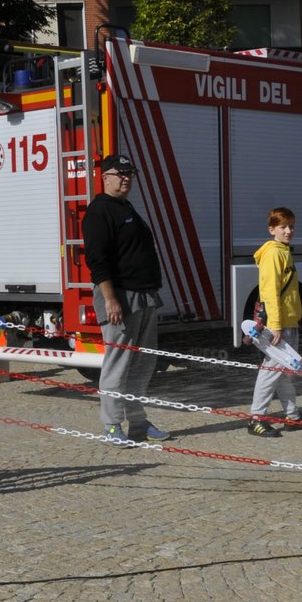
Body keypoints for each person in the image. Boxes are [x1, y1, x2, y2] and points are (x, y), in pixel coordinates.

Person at [82, 153, 170, 445]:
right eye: (120, 174)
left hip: (144, 296)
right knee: (118, 365)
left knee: (144, 364)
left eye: (129, 174)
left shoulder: (124, 205)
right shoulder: (99, 211)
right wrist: (110, 299)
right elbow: (97, 261)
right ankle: (111, 425)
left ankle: (139, 423)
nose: (126, 178)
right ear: (104, 177)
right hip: (121, 298)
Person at [243, 207, 302, 437]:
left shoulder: (283, 250)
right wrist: (277, 325)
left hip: (287, 321)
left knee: (284, 371)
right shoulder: (273, 253)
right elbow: (269, 291)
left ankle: (293, 416)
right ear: (272, 229)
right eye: (283, 227)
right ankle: (256, 418)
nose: (288, 231)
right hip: (278, 324)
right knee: (271, 371)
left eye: (291, 226)